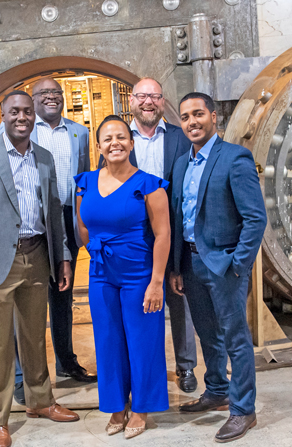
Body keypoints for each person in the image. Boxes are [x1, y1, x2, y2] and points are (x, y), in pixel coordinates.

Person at [0, 90, 80, 447]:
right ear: (3, 114)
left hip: (37, 255)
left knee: (33, 336)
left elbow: (55, 210)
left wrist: (62, 258)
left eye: (27, 111)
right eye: (15, 111)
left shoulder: (43, 157)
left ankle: (40, 401)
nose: (22, 117)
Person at [169, 93, 267, 443]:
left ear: (213, 117)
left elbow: (255, 219)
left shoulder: (235, 158)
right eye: (185, 117)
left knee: (235, 338)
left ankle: (243, 410)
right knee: (207, 333)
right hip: (191, 262)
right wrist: (177, 266)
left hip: (224, 264)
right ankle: (216, 390)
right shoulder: (181, 164)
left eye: (198, 114)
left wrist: (238, 263)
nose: (192, 122)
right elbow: (180, 216)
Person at [98, 77, 198, 393]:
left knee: (180, 300)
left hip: (175, 233)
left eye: (154, 96)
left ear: (162, 101)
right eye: (141, 96)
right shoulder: (119, 141)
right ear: (131, 101)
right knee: (141, 307)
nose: (148, 102)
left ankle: (186, 367)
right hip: (135, 240)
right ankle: (140, 373)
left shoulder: (180, 139)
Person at [0, 78, 95, 406]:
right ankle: (26, 377)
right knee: (28, 302)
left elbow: (83, 179)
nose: (51, 97)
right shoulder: (21, 130)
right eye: (43, 94)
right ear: (33, 100)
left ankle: (67, 363)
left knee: (63, 293)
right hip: (33, 223)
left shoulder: (79, 132)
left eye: (56, 93)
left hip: (67, 216)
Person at [75, 115, 171, 439]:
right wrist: (97, 253)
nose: (114, 143)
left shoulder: (149, 185)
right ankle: (117, 405)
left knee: (142, 342)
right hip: (101, 274)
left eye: (121, 137)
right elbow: (84, 227)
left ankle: (141, 407)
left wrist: (156, 281)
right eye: (107, 138)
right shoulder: (84, 183)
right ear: (98, 146)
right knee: (107, 341)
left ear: (131, 143)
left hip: (139, 276)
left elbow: (163, 235)